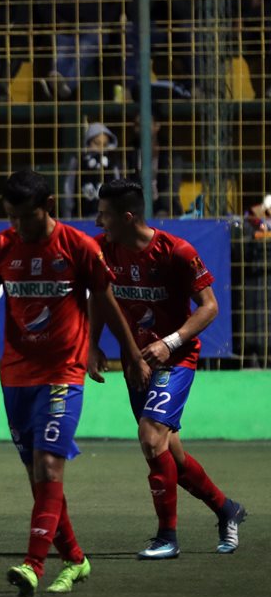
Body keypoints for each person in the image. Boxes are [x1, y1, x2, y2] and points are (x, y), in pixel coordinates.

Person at [0, 169, 150, 597]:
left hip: (63, 372)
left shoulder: (78, 247)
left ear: (47, 208)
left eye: (23, 217)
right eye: (9, 216)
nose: (15, 226)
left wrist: (131, 355)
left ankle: (33, 565)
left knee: (48, 467)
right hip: (16, 375)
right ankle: (76, 559)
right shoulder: (1, 246)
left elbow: (108, 305)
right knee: (38, 477)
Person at [91, 178, 247, 558]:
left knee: (149, 436)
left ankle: (167, 538)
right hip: (136, 362)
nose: (98, 221)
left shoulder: (176, 251)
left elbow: (209, 306)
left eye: (105, 215)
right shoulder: (101, 250)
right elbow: (98, 297)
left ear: (128, 217)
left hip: (176, 358)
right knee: (169, 451)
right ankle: (227, 509)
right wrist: (92, 343)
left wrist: (169, 342)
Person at [61, 122, 121, 219]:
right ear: (88, 143)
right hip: (82, 216)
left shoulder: (112, 163)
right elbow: (69, 190)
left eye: (105, 144)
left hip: (107, 218)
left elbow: (118, 190)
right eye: (97, 143)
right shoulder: (78, 162)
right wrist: (68, 217)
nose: (101, 148)